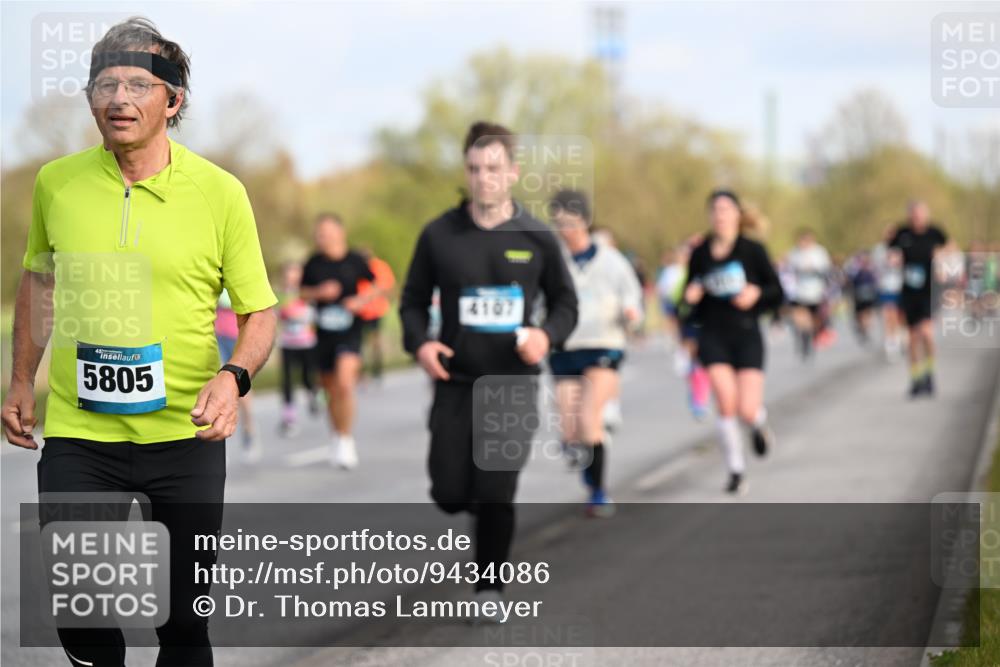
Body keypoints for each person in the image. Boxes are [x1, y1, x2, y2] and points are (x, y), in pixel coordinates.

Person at [1, 18, 277, 666]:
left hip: (185, 433)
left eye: (138, 84)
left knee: (183, 623)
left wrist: (232, 377)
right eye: (104, 84)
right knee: (83, 614)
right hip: (80, 433)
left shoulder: (219, 192)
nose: (118, 98)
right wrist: (20, 379)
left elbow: (260, 311)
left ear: (173, 100)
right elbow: (40, 280)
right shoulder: (56, 183)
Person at [399, 121, 577, 616]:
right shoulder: (440, 235)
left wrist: (546, 335)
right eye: (475, 169)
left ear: (513, 173)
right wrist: (420, 345)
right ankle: (477, 509)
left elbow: (566, 304)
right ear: (466, 171)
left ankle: (489, 588)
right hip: (455, 381)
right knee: (451, 492)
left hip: (512, 384)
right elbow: (412, 301)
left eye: (494, 168)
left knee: (496, 487)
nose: (484, 178)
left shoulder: (537, 237)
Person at [548, 189, 642, 517]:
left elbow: (632, 295)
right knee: (570, 427)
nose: (567, 230)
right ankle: (578, 452)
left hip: (603, 344)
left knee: (590, 420)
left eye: (572, 222)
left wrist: (631, 313)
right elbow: (537, 300)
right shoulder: (553, 261)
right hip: (565, 347)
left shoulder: (611, 260)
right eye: (560, 223)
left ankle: (598, 491)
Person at [683, 190, 783, 494]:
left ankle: (758, 423)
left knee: (747, 409)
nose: (720, 215)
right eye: (715, 209)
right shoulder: (700, 254)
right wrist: (689, 299)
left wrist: (756, 295)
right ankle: (736, 471)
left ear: (738, 215)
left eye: (726, 209)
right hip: (713, 336)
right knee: (725, 403)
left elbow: (777, 292)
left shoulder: (753, 251)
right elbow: (688, 302)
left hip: (746, 334)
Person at [300, 213, 381, 469]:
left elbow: (379, 285)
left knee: (345, 384)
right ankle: (336, 435)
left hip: (350, 331)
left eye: (325, 232)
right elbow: (301, 292)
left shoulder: (356, 260)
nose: (321, 237)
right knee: (330, 389)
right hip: (323, 334)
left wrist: (360, 301)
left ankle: (346, 440)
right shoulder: (313, 263)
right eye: (318, 234)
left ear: (339, 233)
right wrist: (319, 293)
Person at [889, 200, 948, 397]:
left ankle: (930, 374)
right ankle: (916, 378)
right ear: (909, 216)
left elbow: (950, 248)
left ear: (926, 215)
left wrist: (942, 262)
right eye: (914, 215)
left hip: (929, 291)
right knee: (913, 337)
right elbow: (890, 251)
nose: (917, 219)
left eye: (921, 215)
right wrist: (893, 258)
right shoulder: (902, 233)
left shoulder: (935, 233)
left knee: (927, 334)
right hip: (909, 292)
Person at [216, 288, 261, 460]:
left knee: (241, 389)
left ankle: (249, 429)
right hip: (216, 336)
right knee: (214, 381)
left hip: (237, 337)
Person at [277, 261, 319, 436]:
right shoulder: (282, 295)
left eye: (295, 275)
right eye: (289, 275)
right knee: (287, 381)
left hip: (306, 342)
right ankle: (289, 418)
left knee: (306, 377)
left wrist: (298, 314)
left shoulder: (307, 294)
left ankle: (314, 396)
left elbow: (314, 314)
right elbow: (274, 313)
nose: (291, 279)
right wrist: (283, 313)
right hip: (287, 343)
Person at [785, 229, 833, 360]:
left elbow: (826, 271)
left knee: (814, 320)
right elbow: (788, 271)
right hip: (800, 293)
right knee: (800, 319)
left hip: (816, 292)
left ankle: (813, 335)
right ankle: (804, 341)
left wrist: (814, 269)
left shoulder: (819, 252)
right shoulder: (794, 254)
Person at [356, 248, 396, 384]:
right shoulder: (354, 266)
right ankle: (360, 373)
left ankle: (377, 370)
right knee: (358, 343)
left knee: (375, 342)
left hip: (376, 310)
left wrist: (371, 295)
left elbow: (386, 285)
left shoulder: (379, 266)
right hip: (359, 311)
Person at [871, 225, 905, 358]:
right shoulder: (879, 250)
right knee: (888, 315)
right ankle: (890, 343)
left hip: (900, 286)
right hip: (885, 286)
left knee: (898, 316)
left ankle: (898, 337)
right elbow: (875, 267)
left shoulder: (901, 248)